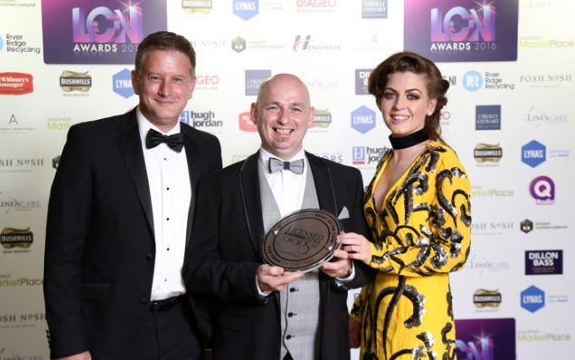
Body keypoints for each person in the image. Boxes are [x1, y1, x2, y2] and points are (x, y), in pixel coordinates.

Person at [43, 31, 222, 360]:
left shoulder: (208, 148)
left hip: (189, 329)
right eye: (155, 78)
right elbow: (61, 255)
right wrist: (70, 344)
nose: (167, 90)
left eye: (177, 79)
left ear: (193, 85)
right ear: (136, 80)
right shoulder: (90, 143)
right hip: (108, 329)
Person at [183, 73, 374, 360]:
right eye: (273, 107)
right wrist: (253, 281)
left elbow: (367, 264)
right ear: (253, 113)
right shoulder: (219, 186)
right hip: (246, 348)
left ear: (310, 116)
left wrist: (347, 271)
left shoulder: (345, 180)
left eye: (296, 108)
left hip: (324, 348)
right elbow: (198, 270)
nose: (284, 119)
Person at [339, 52, 472, 360]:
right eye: (390, 95)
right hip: (378, 314)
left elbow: (454, 251)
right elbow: (376, 245)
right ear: (379, 101)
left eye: (412, 96)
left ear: (431, 105)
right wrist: (358, 312)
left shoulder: (443, 163)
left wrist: (378, 254)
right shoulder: (387, 161)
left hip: (420, 324)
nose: (399, 106)